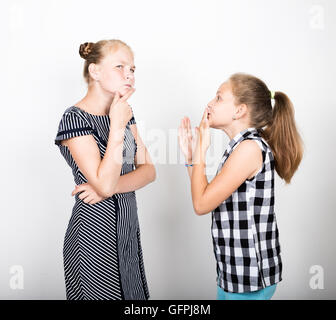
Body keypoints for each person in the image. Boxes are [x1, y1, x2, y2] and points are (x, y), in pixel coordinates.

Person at [178, 73, 303, 300]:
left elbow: (200, 204)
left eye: (218, 98)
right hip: (234, 274)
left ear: (239, 110)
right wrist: (191, 157)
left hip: (249, 278)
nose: (210, 103)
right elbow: (206, 194)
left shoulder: (249, 149)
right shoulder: (239, 148)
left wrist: (201, 151)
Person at [54, 39, 155, 300]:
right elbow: (105, 182)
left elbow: (149, 171)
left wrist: (105, 189)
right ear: (95, 71)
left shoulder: (125, 113)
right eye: (120, 66)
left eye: (132, 69)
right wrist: (117, 125)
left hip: (126, 230)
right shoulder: (74, 118)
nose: (129, 75)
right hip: (94, 234)